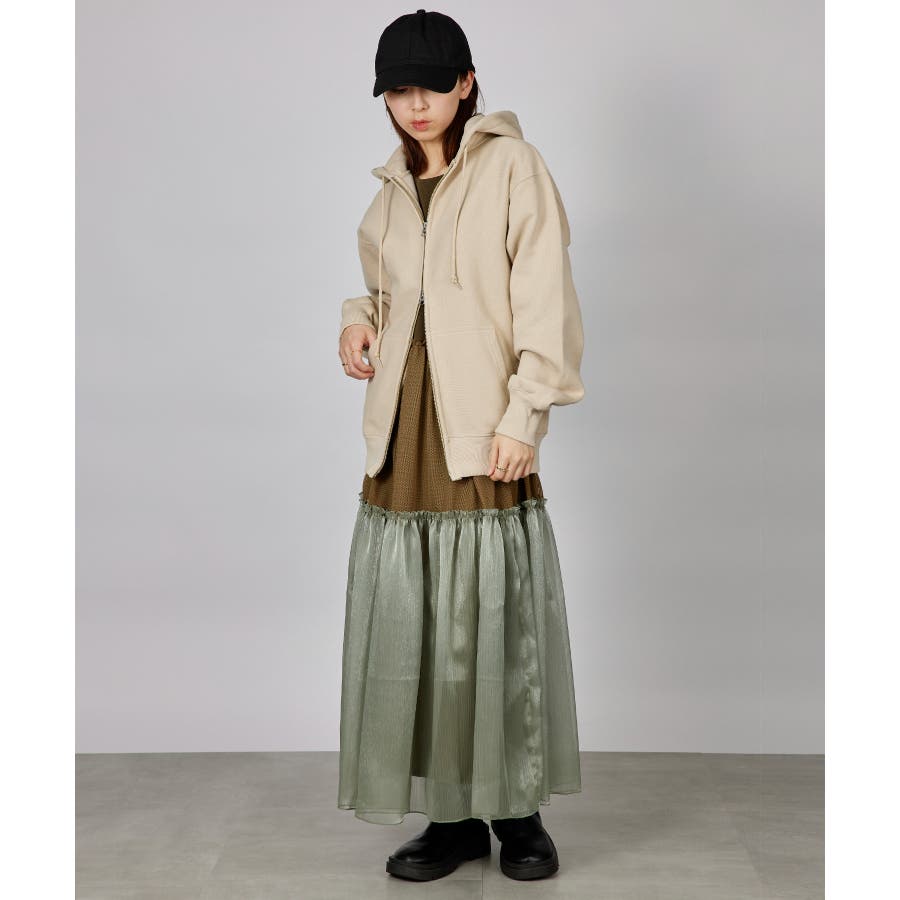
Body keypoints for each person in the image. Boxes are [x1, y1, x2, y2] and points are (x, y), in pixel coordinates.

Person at [336, 8, 586, 883]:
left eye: (431, 87)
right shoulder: (390, 192)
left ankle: (516, 814)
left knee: (492, 618)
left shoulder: (514, 167)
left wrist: (525, 415)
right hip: (406, 432)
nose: (415, 105)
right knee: (419, 625)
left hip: (481, 424)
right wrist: (355, 321)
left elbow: (546, 297)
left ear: (467, 83)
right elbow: (384, 289)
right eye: (398, 90)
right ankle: (450, 818)